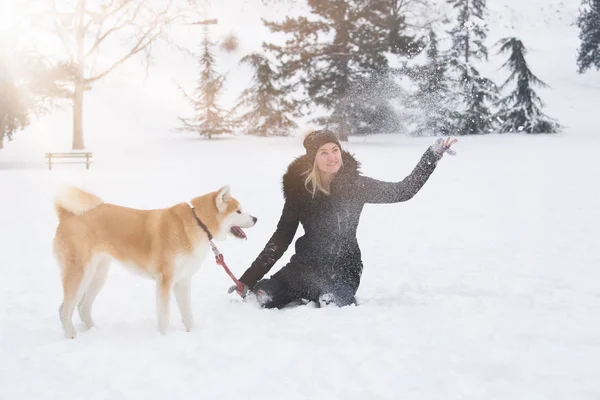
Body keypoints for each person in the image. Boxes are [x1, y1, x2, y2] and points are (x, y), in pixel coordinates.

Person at [228, 129, 457, 308]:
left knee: (332, 304)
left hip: (343, 269)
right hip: (303, 268)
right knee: (259, 299)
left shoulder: (355, 186)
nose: (332, 157)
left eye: (334, 149)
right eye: (323, 153)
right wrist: (248, 279)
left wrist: (432, 155)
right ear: (313, 159)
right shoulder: (300, 192)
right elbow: (282, 237)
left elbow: (403, 191)